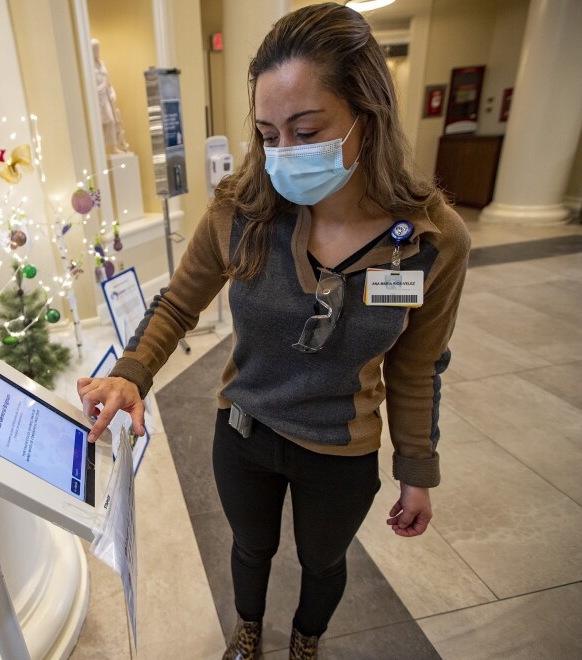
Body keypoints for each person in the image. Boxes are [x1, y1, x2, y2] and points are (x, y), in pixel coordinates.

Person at [77, 3, 470, 659]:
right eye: (267, 132)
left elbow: (417, 366)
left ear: (367, 117)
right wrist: (130, 371)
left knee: (323, 562)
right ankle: (248, 632)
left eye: (305, 129)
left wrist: (416, 469)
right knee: (250, 546)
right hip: (246, 433)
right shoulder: (243, 208)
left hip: (341, 449)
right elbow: (178, 303)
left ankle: (305, 642)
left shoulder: (432, 240)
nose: (282, 153)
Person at [92, 38, 129, 154]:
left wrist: (112, 92)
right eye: (95, 49)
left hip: (106, 97)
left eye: (98, 48)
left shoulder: (101, 64)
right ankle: (101, 150)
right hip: (96, 99)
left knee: (112, 121)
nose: (98, 51)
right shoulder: (89, 67)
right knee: (101, 124)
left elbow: (108, 82)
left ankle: (114, 147)